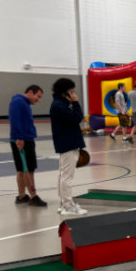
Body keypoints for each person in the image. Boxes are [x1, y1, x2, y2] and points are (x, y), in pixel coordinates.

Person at [50, 78, 87, 216]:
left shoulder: (61, 104)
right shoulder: (60, 106)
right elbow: (76, 118)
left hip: (66, 142)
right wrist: (76, 102)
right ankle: (67, 205)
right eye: (71, 90)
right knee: (67, 176)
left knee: (63, 174)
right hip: (68, 143)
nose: (74, 93)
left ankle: (63, 203)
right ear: (64, 91)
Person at [8, 84, 47, 207]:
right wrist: (20, 137)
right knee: (28, 169)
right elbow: (15, 120)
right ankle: (33, 196)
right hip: (23, 140)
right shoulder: (19, 102)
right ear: (30, 92)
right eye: (38, 96)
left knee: (21, 169)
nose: (38, 100)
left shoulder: (23, 103)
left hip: (22, 138)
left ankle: (22, 196)